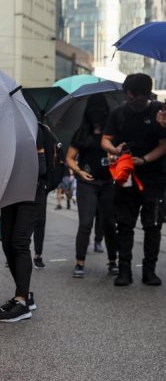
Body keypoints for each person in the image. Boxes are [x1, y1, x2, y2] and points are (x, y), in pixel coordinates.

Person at [102, 73, 166, 286]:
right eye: (128, 95)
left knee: (153, 226)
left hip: (154, 179)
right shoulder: (118, 113)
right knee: (125, 225)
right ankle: (124, 271)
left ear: (145, 94)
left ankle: (149, 271)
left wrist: (144, 160)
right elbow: (106, 139)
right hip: (126, 177)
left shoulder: (159, 111)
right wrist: (114, 149)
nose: (131, 99)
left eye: (135, 96)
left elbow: (163, 145)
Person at [0, 127, 44, 323]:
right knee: (7, 244)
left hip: (31, 192)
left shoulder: (34, 128)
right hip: (10, 192)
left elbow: (42, 167)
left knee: (19, 243)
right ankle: (23, 294)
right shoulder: (4, 130)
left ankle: (22, 303)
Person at [66, 94, 118, 278]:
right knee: (86, 223)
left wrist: (115, 157)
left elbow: (121, 154)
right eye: (94, 111)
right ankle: (79, 262)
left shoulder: (112, 133)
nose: (97, 115)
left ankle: (113, 261)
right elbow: (69, 158)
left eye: (101, 111)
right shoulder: (82, 132)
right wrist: (79, 172)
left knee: (109, 224)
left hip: (108, 183)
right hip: (86, 183)